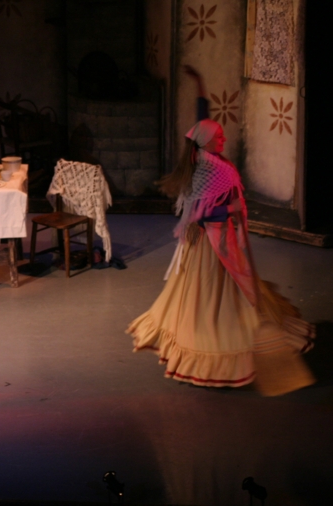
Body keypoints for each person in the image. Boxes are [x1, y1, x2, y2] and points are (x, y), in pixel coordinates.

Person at [126, 68, 314, 388]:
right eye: (220, 137)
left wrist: (201, 86)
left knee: (215, 286)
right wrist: (232, 209)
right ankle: (218, 342)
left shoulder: (204, 153)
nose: (224, 139)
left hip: (212, 235)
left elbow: (203, 121)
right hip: (210, 240)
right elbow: (202, 215)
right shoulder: (209, 171)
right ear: (208, 141)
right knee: (216, 290)